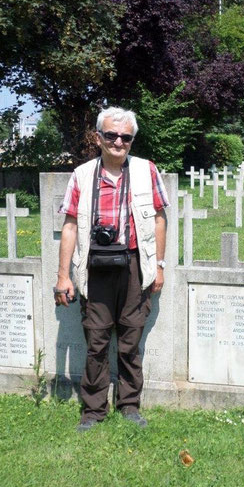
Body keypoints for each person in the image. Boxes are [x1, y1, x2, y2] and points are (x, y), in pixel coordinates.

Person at [54, 106, 169, 432]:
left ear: (132, 140)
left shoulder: (148, 171)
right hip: (95, 268)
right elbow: (71, 225)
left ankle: (130, 406)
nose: (118, 141)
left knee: (131, 340)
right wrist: (63, 275)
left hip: (135, 266)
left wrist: (159, 265)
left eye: (125, 137)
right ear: (98, 137)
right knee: (97, 341)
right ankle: (92, 411)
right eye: (111, 135)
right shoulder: (82, 174)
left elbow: (160, 218)